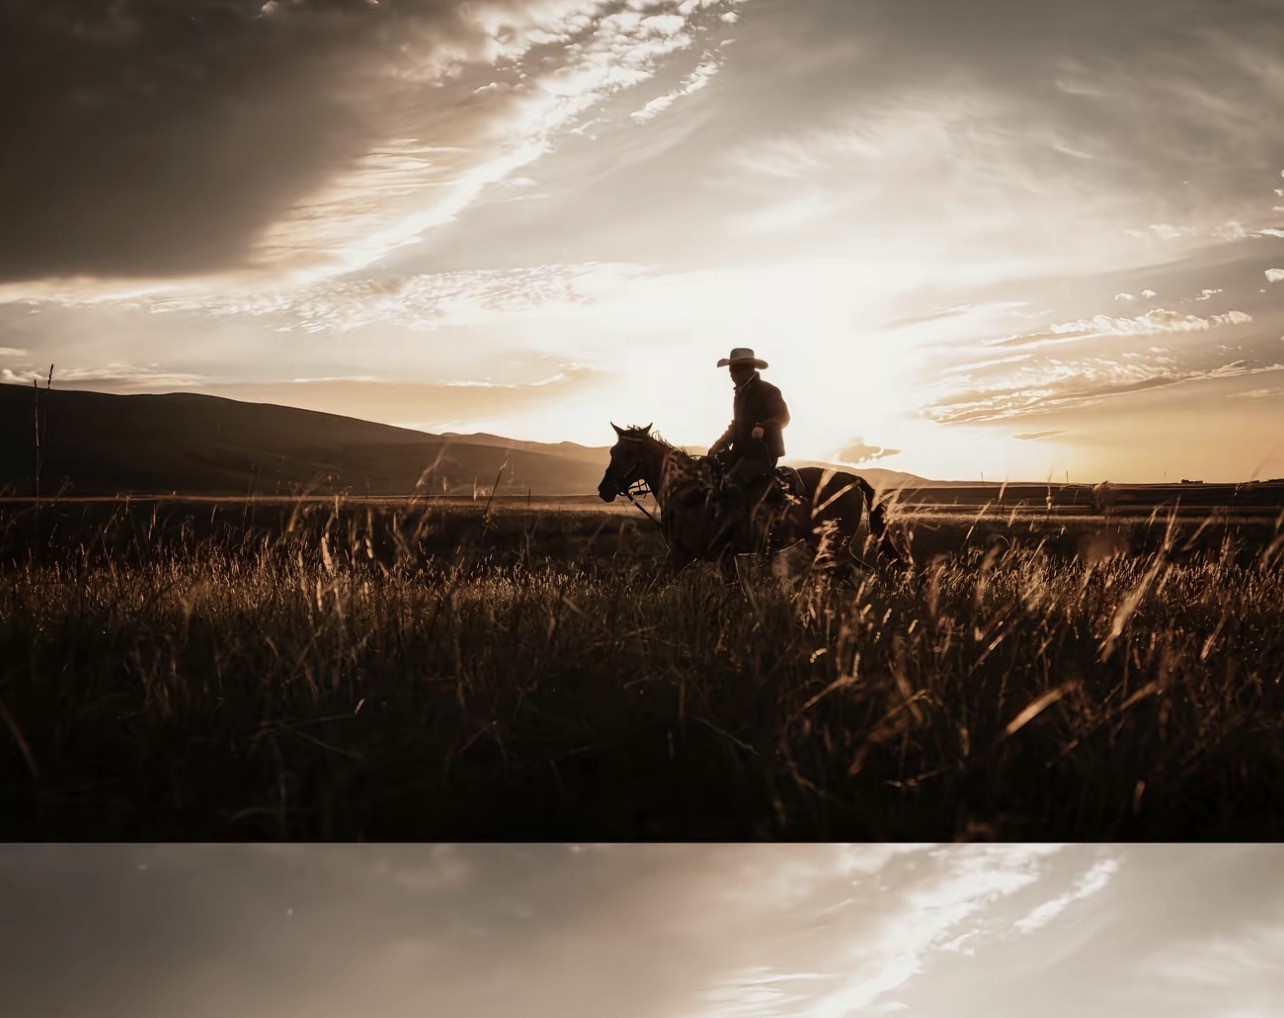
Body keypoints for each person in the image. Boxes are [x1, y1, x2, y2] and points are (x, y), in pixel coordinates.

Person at [706, 347, 790, 496]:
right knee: (711, 479)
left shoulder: (768, 390)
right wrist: (718, 445)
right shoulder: (740, 394)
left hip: (761, 456)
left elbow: (783, 417)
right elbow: (736, 425)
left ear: (746, 370)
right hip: (741, 455)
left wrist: (763, 427)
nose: (730, 374)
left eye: (733, 369)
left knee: (729, 485)